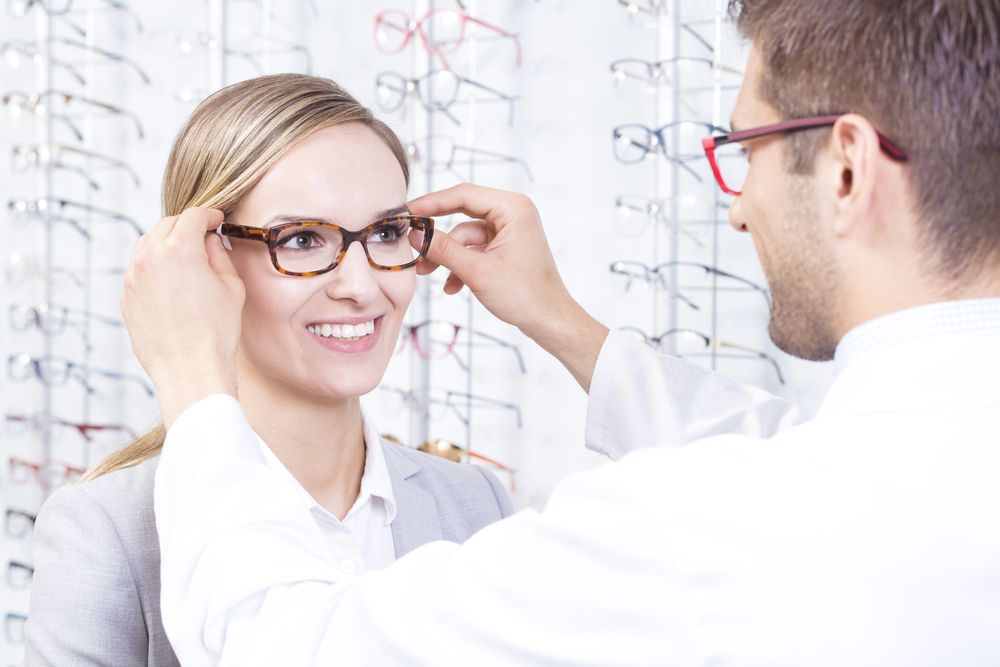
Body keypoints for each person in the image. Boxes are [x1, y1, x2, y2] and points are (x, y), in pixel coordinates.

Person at [132, 0, 1000, 664]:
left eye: (748, 151)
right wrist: (559, 318)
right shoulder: (922, 463)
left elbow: (283, 642)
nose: (737, 208)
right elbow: (789, 454)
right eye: (300, 239)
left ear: (847, 167)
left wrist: (195, 382)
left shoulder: (692, 524)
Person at [24, 74, 512, 666]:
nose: (361, 287)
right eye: (302, 238)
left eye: (386, 233)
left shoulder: (474, 504)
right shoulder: (106, 530)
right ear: (204, 258)